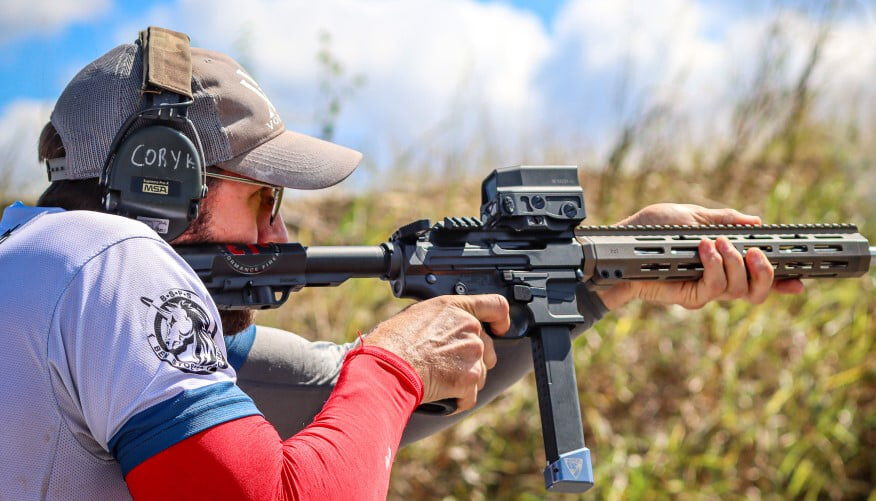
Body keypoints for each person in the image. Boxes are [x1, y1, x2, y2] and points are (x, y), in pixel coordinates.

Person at [0, 33, 804, 500]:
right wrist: (392, 363)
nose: (279, 227)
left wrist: (604, 275)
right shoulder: (117, 261)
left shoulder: (43, 275)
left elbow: (328, 396)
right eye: (262, 197)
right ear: (162, 180)